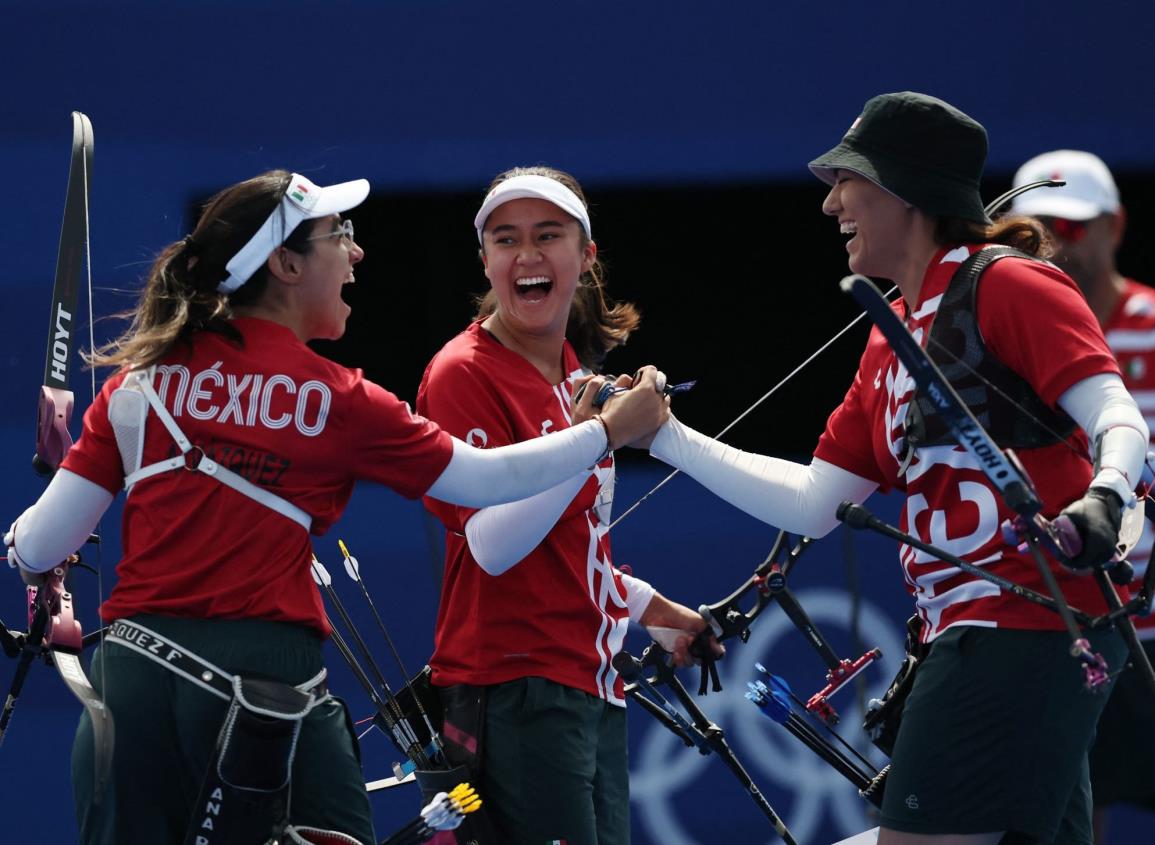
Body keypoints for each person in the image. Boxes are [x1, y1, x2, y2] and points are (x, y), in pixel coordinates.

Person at [3, 169, 669, 845]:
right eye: (338, 235)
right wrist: (607, 432)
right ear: (286, 263)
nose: (355, 253)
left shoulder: (136, 383)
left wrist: (27, 552)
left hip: (131, 689)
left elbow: (41, 543)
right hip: (265, 694)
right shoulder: (337, 398)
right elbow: (485, 479)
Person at [642, 94, 1149, 844]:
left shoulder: (1006, 283)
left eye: (847, 181)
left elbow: (1115, 412)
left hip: (1018, 627)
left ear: (904, 189)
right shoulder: (890, 339)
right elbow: (814, 502)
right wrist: (664, 437)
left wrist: (1104, 498)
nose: (829, 203)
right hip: (979, 639)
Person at [417, 166, 712, 845]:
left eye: (547, 236)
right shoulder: (462, 371)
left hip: (585, 682)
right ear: (485, 260)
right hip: (514, 687)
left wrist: (650, 610)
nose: (526, 255)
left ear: (585, 258)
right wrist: (598, 437)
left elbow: (569, 548)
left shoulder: (573, 377)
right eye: (505, 239)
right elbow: (491, 545)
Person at [1013, 150, 1155, 841]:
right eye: (1036, 228)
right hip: (1066, 633)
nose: (1055, 245)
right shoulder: (1000, 342)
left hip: (1151, 630)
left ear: (1115, 226)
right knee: (1069, 820)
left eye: (1071, 229)